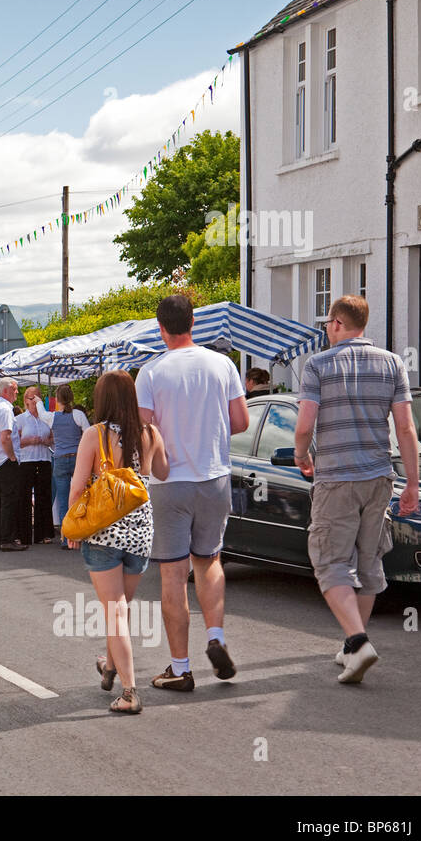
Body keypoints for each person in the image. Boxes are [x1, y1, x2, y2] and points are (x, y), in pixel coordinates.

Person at [295, 295, 419, 684]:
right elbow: (405, 429)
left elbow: (303, 426)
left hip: (336, 476)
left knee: (331, 562)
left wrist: (301, 455)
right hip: (379, 476)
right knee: (368, 561)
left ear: (335, 324)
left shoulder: (318, 365)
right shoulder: (392, 363)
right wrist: (412, 482)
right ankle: (352, 648)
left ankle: (358, 641)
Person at [135, 294, 249, 692]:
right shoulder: (223, 364)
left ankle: (180, 668)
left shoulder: (149, 373)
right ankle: (215, 636)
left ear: (160, 327)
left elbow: (144, 432)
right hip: (215, 477)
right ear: (194, 322)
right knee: (210, 561)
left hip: (170, 483)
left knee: (172, 573)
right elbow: (240, 420)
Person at [65, 371, 169, 715]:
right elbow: (163, 472)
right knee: (121, 608)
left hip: (105, 531)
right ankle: (110, 667)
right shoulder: (150, 433)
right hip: (141, 530)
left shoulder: (95, 436)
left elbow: (78, 486)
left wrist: (73, 527)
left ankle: (129, 692)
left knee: (114, 612)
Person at [31, 385, 89, 549]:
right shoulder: (78, 415)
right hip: (78, 459)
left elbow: (41, 414)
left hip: (61, 459)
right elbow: (89, 432)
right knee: (82, 498)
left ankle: (66, 538)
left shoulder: (53, 417)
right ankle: (83, 534)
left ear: (57, 399)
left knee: (63, 501)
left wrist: (38, 401)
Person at [0, 379, 26, 552]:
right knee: (9, 500)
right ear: (7, 391)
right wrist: (12, 457)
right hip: (5, 460)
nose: (17, 393)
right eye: (15, 390)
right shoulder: (5, 409)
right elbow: (5, 437)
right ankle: (7, 539)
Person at [14, 386, 55, 545]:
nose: (34, 401)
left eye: (36, 398)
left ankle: (43, 534)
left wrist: (46, 441)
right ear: (25, 401)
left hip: (44, 459)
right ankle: (23, 534)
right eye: (31, 398)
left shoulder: (47, 418)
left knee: (44, 497)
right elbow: (14, 442)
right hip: (26, 461)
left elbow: (52, 438)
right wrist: (30, 441)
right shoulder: (20, 419)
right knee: (23, 498)